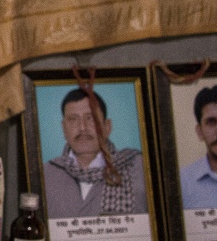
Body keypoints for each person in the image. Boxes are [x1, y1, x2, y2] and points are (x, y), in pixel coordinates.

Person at [41, 86, 146, 220]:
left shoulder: (139, 168)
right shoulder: (45, 175)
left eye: (90, 118)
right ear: (64, 128)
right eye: (73, 119)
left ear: (107, 126)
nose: (82, 128)